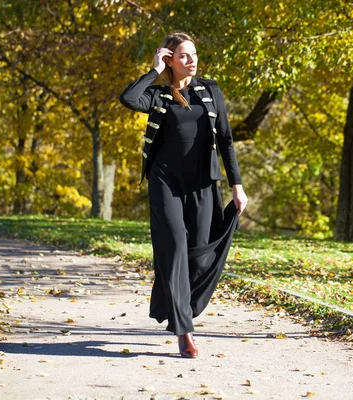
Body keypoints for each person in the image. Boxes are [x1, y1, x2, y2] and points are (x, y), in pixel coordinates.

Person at [119, 32, 248, 358]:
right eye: (183, 56)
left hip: (204, 183)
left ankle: (178, 305)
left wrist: (237, 184)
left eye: (193, 54)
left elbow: (227, 140)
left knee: (200, 255)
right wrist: (153, 69)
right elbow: (129, 98)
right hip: (166, 184)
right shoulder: (160, 95)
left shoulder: (210, 91)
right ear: (170, 60)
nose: (191, 60)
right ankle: (184, 329)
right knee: (174, 246)